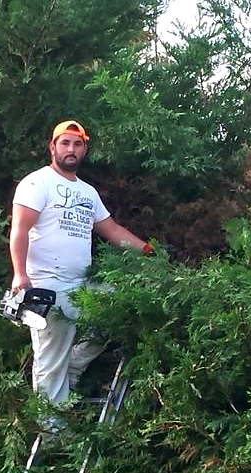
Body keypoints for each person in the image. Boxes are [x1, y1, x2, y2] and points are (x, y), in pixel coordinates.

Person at [9, 120, 151, 406]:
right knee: (50, 363)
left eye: (77, 144)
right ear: (53, 147)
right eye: (65, 143)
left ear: (84, 149)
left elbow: (111, 230)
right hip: (47, 286)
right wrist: (19, 275)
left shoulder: (88, 192)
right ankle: (51, 433)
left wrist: (149, 250)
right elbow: (20, 229)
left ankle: (74, 366)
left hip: (80, 286)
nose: (71, 149)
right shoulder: (37, 182)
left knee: (118, 310)